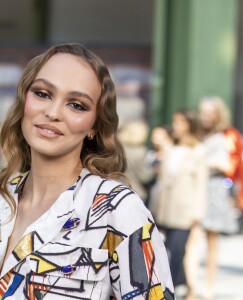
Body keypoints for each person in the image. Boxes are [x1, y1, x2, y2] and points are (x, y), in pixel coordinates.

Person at [0, 43, 174, 299]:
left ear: (94, 125)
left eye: (77, 105)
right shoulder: (4, 196)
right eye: (42, 93)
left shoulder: (117, 209)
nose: (52, 112)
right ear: (24, 99)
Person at [154, 109, 207, 298]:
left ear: (189, 125)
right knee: (160, 250)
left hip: (184, 209)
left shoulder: (198, 150)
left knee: (177, 251)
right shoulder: (169, 147)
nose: (175, 126)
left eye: (180, 122)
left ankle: (172, 289)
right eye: (174, 122)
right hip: (164, 208)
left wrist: (197, 212)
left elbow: (201, 183)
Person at [198, 96, 239, 299]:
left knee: (212, 241)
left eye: (208, 113)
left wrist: (208, 162)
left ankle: (208, 285)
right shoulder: (198, 134)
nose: (203, 117)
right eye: (202, 112)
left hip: (214, 188)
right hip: (196, 188)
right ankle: (189, 280)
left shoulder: (227, 135)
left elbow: (230, 165)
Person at [118, 120, 154, 202]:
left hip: (118, 191)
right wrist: (154, 171)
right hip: (135, 191)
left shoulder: (118, 150)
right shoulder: (141, 152)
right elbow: (144, 177)